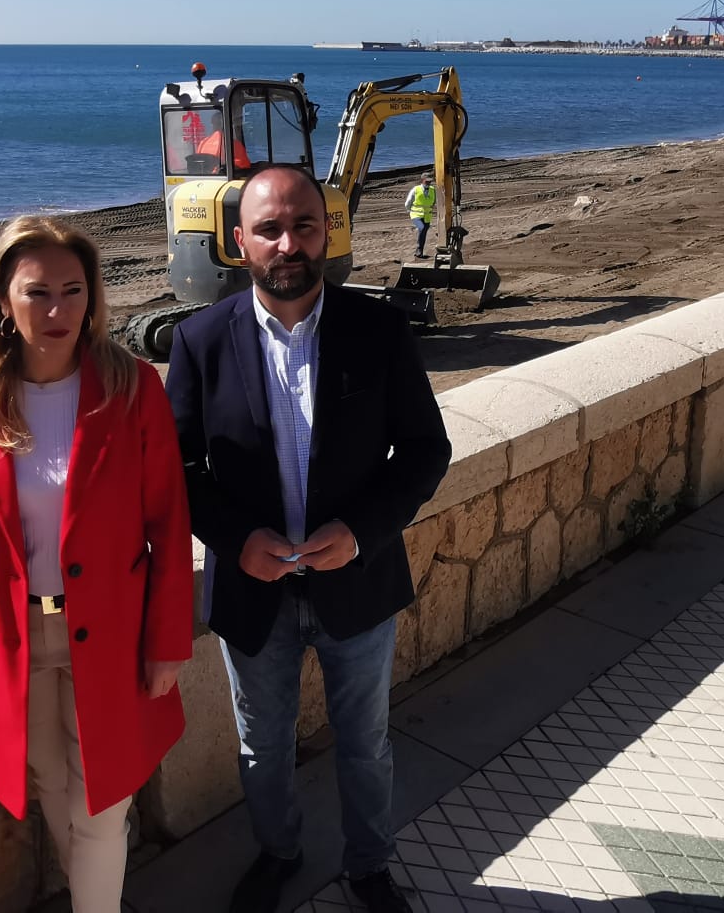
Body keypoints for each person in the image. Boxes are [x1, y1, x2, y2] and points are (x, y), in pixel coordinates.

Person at [166, 166, 452, 913]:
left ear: (327, 232)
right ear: (239, 243)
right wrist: (233, 539)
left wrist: (360, 532)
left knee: (367, 743)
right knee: (263, 750)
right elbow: (173, 467)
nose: (287, 243)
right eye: (268, 229)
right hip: (252, 592)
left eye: (303, 225)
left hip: (357, 586)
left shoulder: (379, 329)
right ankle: (279, 852)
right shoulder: (199, 341)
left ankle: (369, 864)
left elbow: (425, 451)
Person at [0, 216, 194, 913]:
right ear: (1, 303)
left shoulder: (132, 387)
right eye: (36, 292)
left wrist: (167, 642)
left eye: (72, 291)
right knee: (49, 785)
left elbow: (169, 522)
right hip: (12, 640)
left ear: (93, 297)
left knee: (101, 805)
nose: (57, 311)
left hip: (111, 633)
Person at [404, 172, 436, 259]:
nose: (429, 183)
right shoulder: (416, 189)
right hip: (416, 214)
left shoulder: (433, 190)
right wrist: (409, 210)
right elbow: (408, 202)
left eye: (430, 181)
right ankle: (419, 249)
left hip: (427, 216)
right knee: (421, 228)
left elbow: (433, 202)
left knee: (424, 232)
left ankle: (420, 251)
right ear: (422, 180)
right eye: (427, 181)